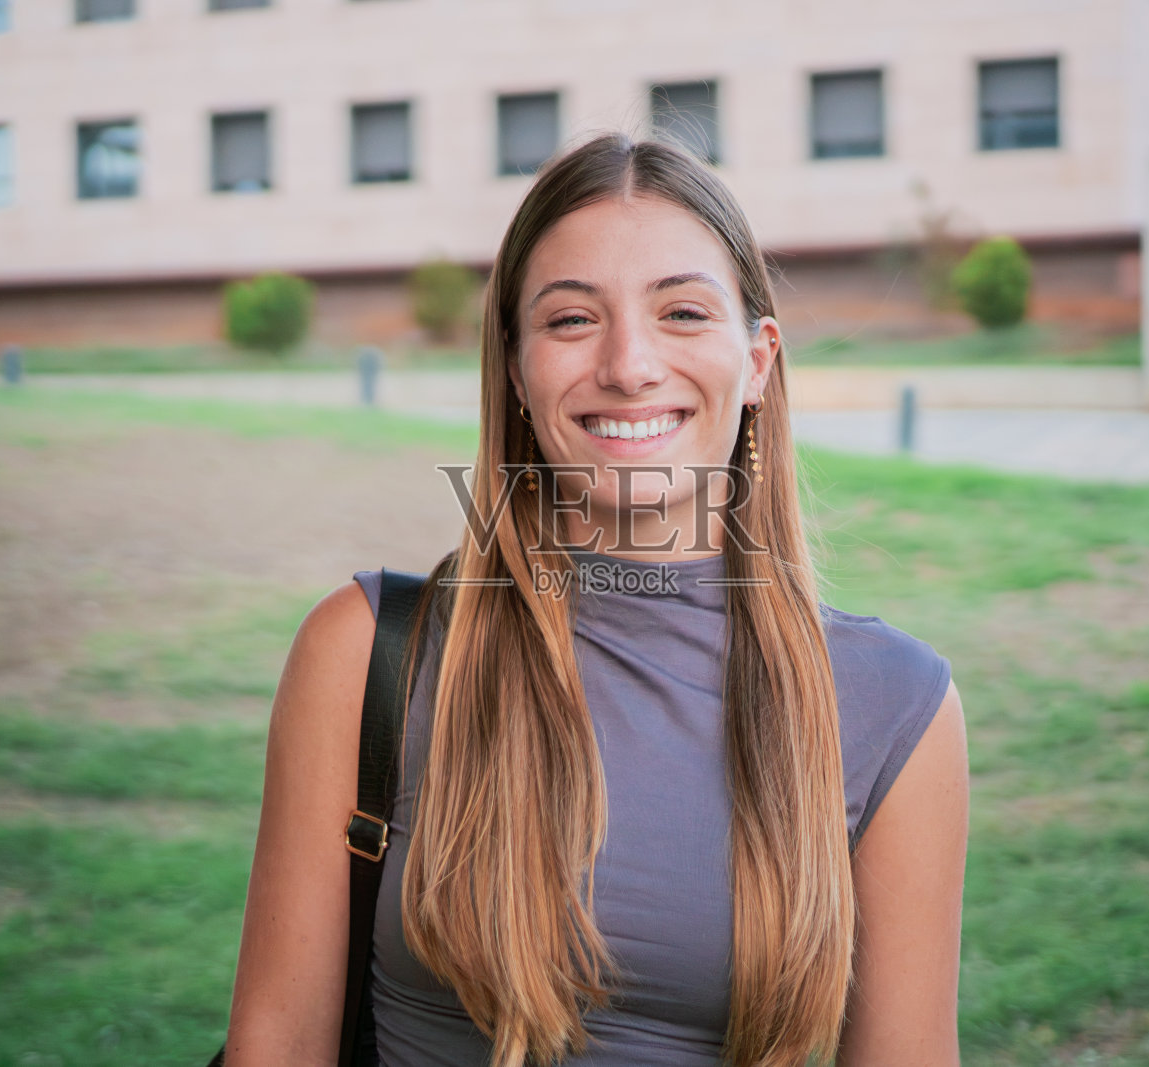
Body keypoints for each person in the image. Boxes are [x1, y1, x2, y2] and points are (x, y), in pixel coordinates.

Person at [222, 132, 969, 1067]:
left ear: (760, 362)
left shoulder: (896, 706)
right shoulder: (370, 653)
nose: (628, 365)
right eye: (573, 320)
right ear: (516, 369)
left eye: (684, 313)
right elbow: (277, 1047)